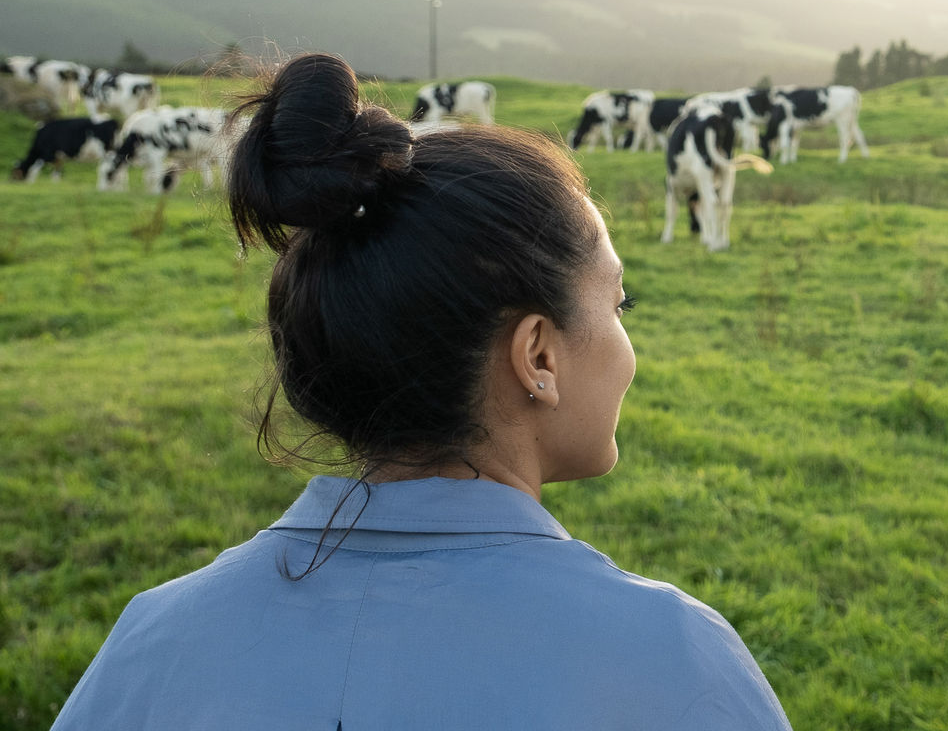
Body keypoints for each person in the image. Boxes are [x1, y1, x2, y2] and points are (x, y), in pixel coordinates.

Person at [53, 53, 791, 729]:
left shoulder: (151, 645)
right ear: (538, 355)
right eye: (619, 305)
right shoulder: (672, 662)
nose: (629, 341)